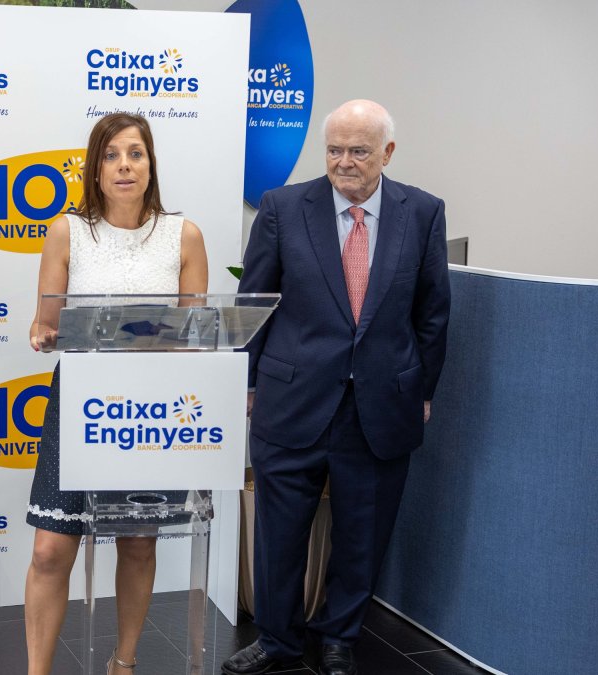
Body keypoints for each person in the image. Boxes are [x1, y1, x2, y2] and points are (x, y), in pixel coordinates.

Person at [223, 100, 450, 675]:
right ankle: (276, 639)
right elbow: (255, 303)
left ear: (387, 153)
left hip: (380, 405)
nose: (343, 162)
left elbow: (432, 313)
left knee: (363, 534)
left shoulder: (422, 212)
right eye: (334, 150)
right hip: (291, 398)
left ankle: (339, 638)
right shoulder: (281, 207)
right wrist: (248, 383)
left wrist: (422, 390)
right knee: (278, 533)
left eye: (358, 151)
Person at [24, 112, 210, 675]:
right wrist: (42, 333)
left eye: (135, 153)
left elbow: (195, 334)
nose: (124, 166)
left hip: (148, 408)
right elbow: (45, 324)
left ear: (151, 164)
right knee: (51, 549)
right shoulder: (67, 231)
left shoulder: (185, 235)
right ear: (94, 169)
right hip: (82, 399)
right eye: (110, 155)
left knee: (137, 541)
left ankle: (123, 663)